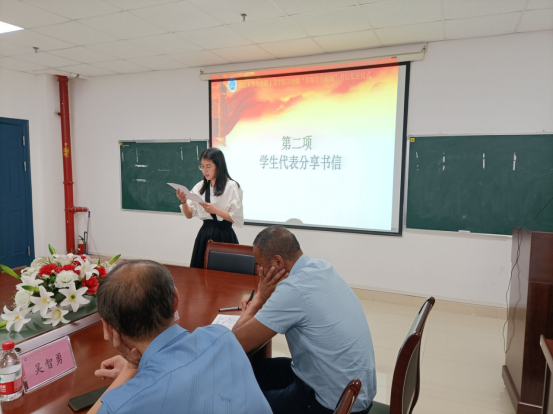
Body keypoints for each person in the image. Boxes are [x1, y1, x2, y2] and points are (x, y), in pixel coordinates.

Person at [89, 260, 271, 414]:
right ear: (175, 300)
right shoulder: (222, 336)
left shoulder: (123, 404)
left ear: (109, 328)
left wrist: (131, 368)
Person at [232, 226, 376, 414]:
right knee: (253, 369)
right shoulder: (322, 267)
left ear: (278, 262)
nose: (258, 270)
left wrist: (260, 296)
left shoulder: (293, 290)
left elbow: (236, 343)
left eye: (260, 264)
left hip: (329, 405)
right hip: (353, 390)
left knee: (239, 400)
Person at [176, 147, 243, 268]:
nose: (205, 170)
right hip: (204, 235)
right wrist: (184, 201)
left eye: (208, 166)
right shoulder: (200, 186)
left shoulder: (231, 186)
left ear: (219, 166)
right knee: (201, 273)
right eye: (202, 166)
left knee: (226, 272)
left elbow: (236, 218)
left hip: (224, 235)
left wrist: (215, 210)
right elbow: (189, 215)